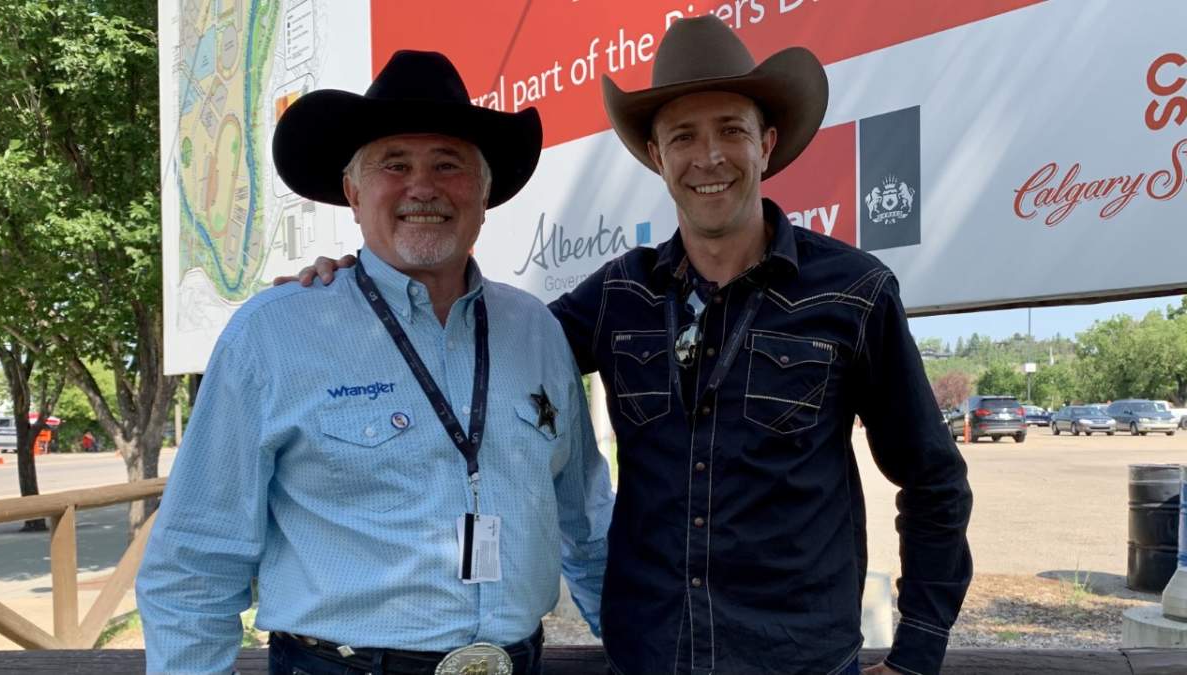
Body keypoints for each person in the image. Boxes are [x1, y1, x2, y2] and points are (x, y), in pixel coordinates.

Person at [295, 17, 972, 675]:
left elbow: (933, 480)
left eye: (731, 130)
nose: (709, 156)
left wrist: (917, 653)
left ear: (766, 144)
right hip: (647, 655)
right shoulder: (619, 295)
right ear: (656, 155)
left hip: (799, 660)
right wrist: (373, 280)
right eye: (683, 136)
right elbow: (471, 340)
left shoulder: (853, 292)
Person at [136, 50, 613, 675]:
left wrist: (633, 649)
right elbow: (196, 560)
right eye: (395, 164)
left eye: (448, 164)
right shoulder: (273, 334)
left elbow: (588, 523)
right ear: (353, 193)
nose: (424, 187)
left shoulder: (537, 331)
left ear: (484, 192)